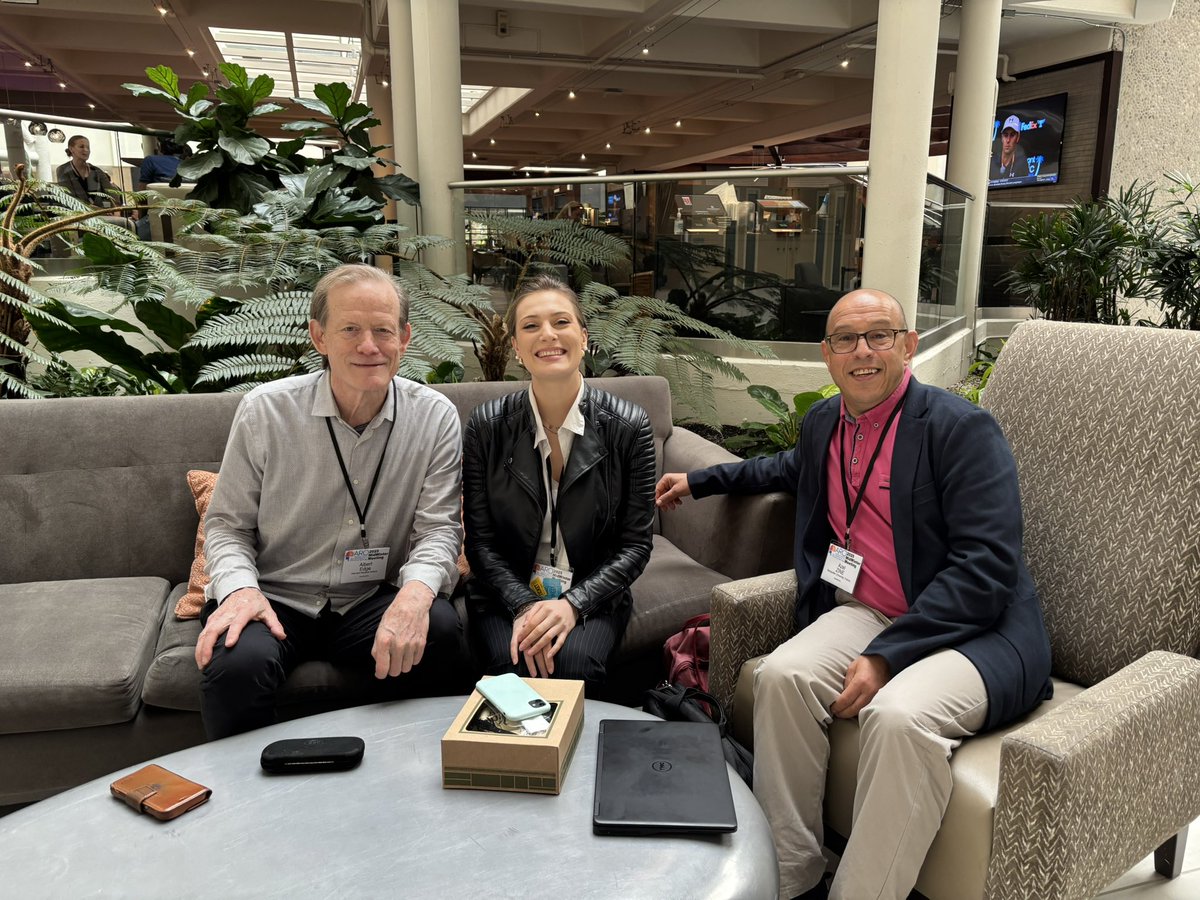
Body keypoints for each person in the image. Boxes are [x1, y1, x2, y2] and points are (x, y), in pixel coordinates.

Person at [655, 289, 1051, 900]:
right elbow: (782, 468)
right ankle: (791, 875)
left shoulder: (959, 429)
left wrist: (887, 655)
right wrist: (700, 480)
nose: (862, 350)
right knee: (781, 677)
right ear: (828, 354)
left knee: (898, 718)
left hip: (977, 630)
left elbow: (987, 568)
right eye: (846, 338)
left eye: (878, 335)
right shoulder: (825, 423)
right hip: (871, 609)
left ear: (907, 345)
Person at [196, 263, 468, 739]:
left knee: (440, 630)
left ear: (405, 338)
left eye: (383, 330)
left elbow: (439, 530)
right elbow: (227, 526)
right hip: (275, 595)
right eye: (350, 330)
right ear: (319, 337)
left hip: (369, 598)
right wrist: (240, 591)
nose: (369, 345)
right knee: (237, 662)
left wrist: (415, 595)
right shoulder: (265, 411)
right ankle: (247, 786)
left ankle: (395, 770)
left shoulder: (434, 417)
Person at [463, 275, 655, 688]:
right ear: (516, 347)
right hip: (505, 592)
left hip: (593, 592)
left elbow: (636, 546)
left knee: (573, 668)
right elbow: (480, 544)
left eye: (561, 322)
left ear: (583, 337)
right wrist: (524, 606)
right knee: (510, 669)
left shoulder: (630, 427)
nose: (547, 334)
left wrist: (572, 604)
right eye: (531, 325)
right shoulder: (486, 427)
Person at [55, 135, 133, 228]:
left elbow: (112, 193)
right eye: (81, 147)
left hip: (102, 217)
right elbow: (70, 199)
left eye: (88, 147)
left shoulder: (96, 171)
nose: (86, 150)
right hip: (77, 217)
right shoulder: (63, 170)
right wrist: (98, 211)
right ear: (71, 149)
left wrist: (116, 212)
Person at [990, 114, 1029, 181]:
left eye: (1012, 135)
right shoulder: (991, 161)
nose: (1008, 140)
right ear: (1002, 137)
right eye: (1005, 135)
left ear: (1017, 137)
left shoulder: (1022, 164)